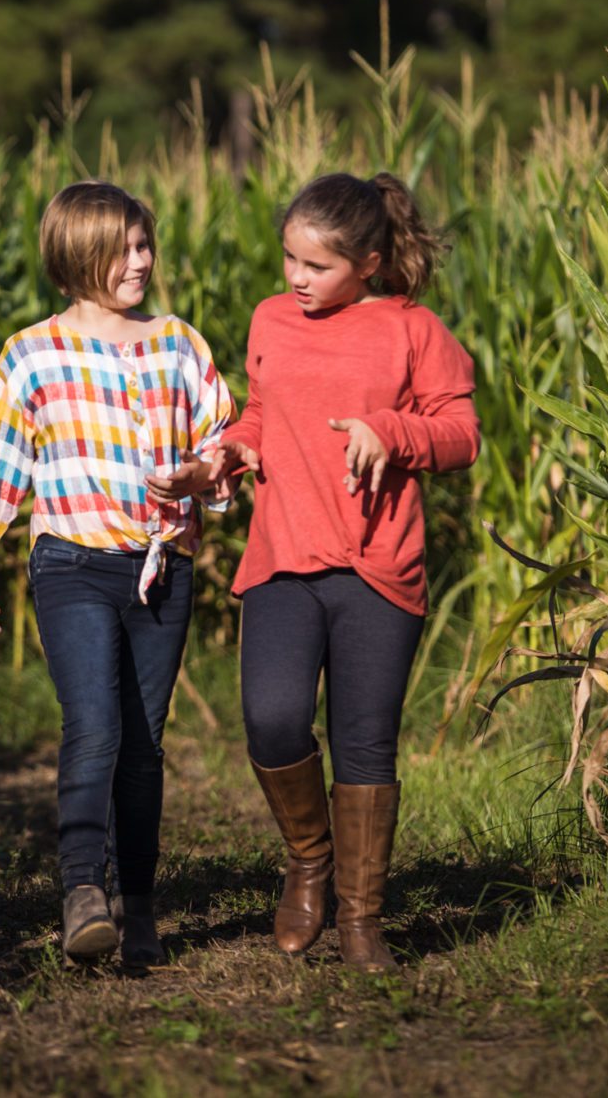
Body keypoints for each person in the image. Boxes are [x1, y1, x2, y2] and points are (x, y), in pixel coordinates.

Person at [0, 181, 234, 965]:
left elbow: (223, 442)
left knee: (143, 746)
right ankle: (81, 891)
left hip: (159, 568)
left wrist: (200, 477)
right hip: (70, 562)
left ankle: (136, 905)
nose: (141, 261)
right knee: (95, 727)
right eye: (124, 249)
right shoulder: (31, 353)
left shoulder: (179, 342)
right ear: (79, 255)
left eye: (146, 245)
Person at [219, 172, 480, 971]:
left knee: (366, 745)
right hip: (282, 557)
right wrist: (234, 444)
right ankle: (309, 862)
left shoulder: (413, 329)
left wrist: (389, 431)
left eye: (317, 266)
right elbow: (265, 410)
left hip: (378, 568)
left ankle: (363, 920)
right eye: (289, 259)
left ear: (367, 261)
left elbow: (461, 434)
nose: (296, 279)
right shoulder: (271, 318)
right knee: (272, 718)